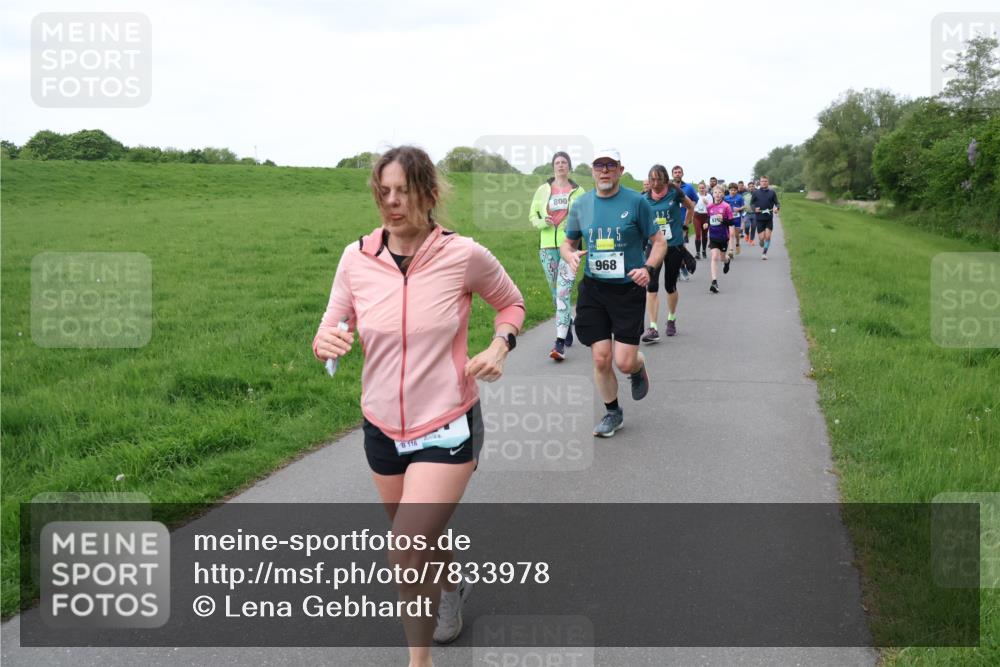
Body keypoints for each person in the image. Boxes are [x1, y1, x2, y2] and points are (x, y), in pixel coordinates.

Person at [312, 145, 526, 665]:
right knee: (419, 538)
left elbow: (512, 303)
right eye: (382, 192)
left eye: (402, 191)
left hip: (446, 424)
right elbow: (331, 323)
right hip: (381, 426)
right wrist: (326, 342)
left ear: (428, 194)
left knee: (407, 546)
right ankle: (452, 587)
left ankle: (419, 661)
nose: (391, 202)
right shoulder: (355, 258)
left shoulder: (463, 254)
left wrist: (500, 344)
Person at [560, 148, 664, 437]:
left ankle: (637, 365)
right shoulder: (581, 205)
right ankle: (612, 412)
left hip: (628, 290)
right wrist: (568, 255)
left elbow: (658, 242)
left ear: (620, 170)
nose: (604, 171)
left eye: (610, 165)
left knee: (624, 361)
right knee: (600, 357)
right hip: (594, 289)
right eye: (598, 166)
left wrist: (648, 269)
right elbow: (567, 243)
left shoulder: (636, 202)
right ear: (592, 171)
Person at [529, 151, 586, 361]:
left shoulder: (579, 192)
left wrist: (575, 228)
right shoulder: (543, 190)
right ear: (553, 167)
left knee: (563, 291)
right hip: (546, 246)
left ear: (569, 167)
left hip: (568, 246)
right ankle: (567, 322)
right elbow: (532, 215)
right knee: (555, 292)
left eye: (564, 162)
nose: (560, 165)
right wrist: (542, 221)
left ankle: (559, 341)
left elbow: (586, 216)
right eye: (557, 162)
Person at [640, 165, 695, 343]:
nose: (655, 183)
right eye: (652, 179)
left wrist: (685, 226)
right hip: (654, 246)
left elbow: (690, 206)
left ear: (665, 179)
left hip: (674, 246)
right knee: (652, 285)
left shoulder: (674, 192)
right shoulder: (644, 198)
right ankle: (653, 327)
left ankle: (671, 318)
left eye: (659, 179)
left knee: (670, 286)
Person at [703, 184, 733, 293]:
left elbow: (731, 222)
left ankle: (727, 260)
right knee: (714, 257)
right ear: (713, 194)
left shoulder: (726, 206)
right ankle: (714, 282)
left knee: (722, 258)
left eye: (720, 192)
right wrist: (706, 223)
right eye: (715, 192)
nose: (718, 194)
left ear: (723, 194)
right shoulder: (709, 207)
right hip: (713, 236)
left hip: (723, 237)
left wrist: (723, 220)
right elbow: (708, 218)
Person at [670, 165, 698, 282]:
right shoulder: (668, 187)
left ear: (682, 174)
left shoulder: (688, 187)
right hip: (670, 223)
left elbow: (695, 200)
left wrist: (690, 213)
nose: (677, 174)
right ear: (672, 174)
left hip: (683, 222)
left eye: (679, 172)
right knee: (672, 248)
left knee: (680, 247)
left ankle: (682, 268)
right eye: (675, 172)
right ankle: (679, 267)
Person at [751, 175, 781, 260]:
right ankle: (761, 241)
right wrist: (754, 209)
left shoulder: (772, 192)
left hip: (768, 218)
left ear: (768, 182)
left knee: (767, 237)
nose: (764, 183)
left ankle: (764, 253)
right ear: (759, 182)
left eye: (765, 181)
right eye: (762, 181)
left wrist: (776, 208)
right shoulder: (755, 193)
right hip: (759, 218)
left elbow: (777, 203)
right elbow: (752, 204)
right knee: (762, 238)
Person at [723, 183, 745, 256]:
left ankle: (737, 244)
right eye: (731, 190)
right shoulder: (725, 198)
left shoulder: (740, 197)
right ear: (729, 190)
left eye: (735, 190)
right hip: (729, 218)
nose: (733, 191)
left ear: (737, 190)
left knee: (736, 234)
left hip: (737, 218)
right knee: (730, 234)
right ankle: (730, 250)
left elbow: (744, 206)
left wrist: (739, 208)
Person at [693, 180, 712, 258]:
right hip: (697, 216)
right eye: (700, 188)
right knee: (698, 234)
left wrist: (707, 203)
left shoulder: (709, 196)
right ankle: (698, 253)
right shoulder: (695, 195)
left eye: (703, 188)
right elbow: (692, 206)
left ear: (705, 188)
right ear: (698, 189)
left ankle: (703, 250)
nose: (701, 189)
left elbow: (712, 207)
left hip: (705, 217)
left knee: (704, 234)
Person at [743, 181, 757, 245]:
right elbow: (741, 202)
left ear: (754, 187)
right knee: (747, 226)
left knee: (753, 227)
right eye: (750, 187)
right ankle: (747, 234)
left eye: (752, 186)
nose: (751, 188)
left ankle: (751, 240)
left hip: (755, 213)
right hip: (747, 213)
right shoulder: (744, 194)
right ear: (748, 187)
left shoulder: (757, 194)